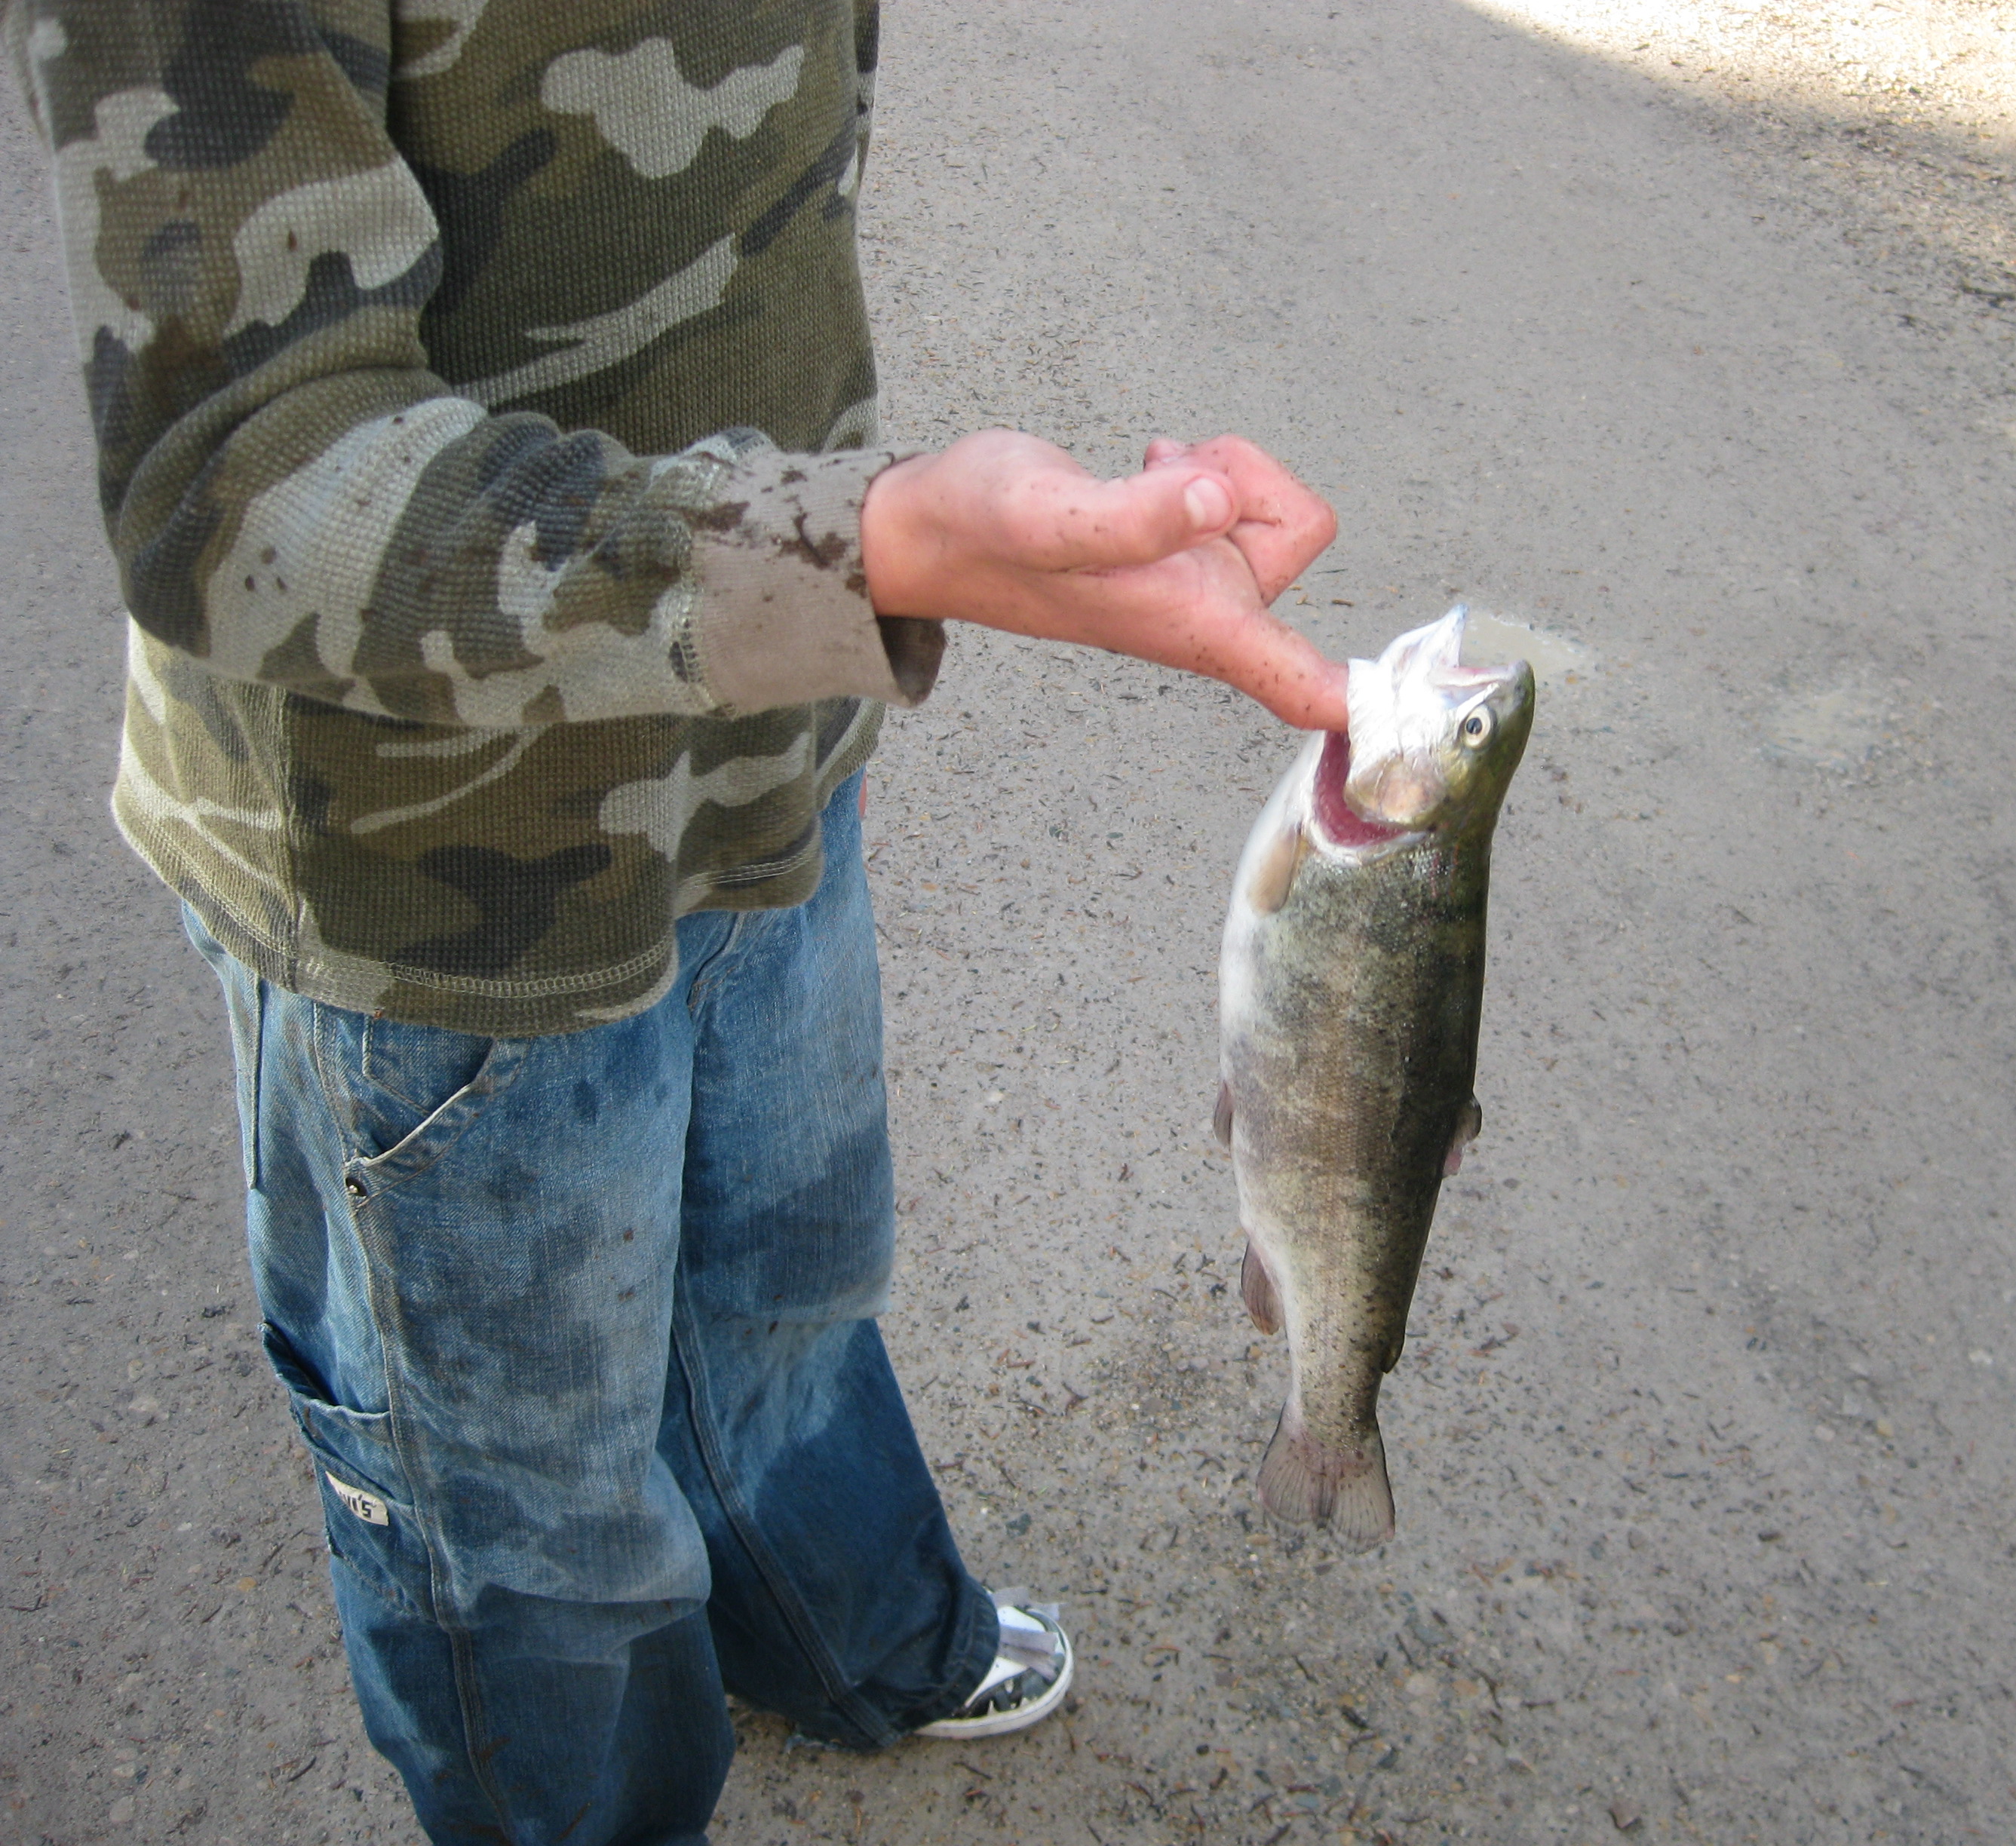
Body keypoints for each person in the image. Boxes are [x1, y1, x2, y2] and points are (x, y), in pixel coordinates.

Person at [10, 2, 1343, 1840]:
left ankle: (841, 1632)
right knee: (525, 1531)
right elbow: (238, 473)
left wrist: (828, 631)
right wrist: (852, 554)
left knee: (789, 1291)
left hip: (761, 748)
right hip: (439, 908)